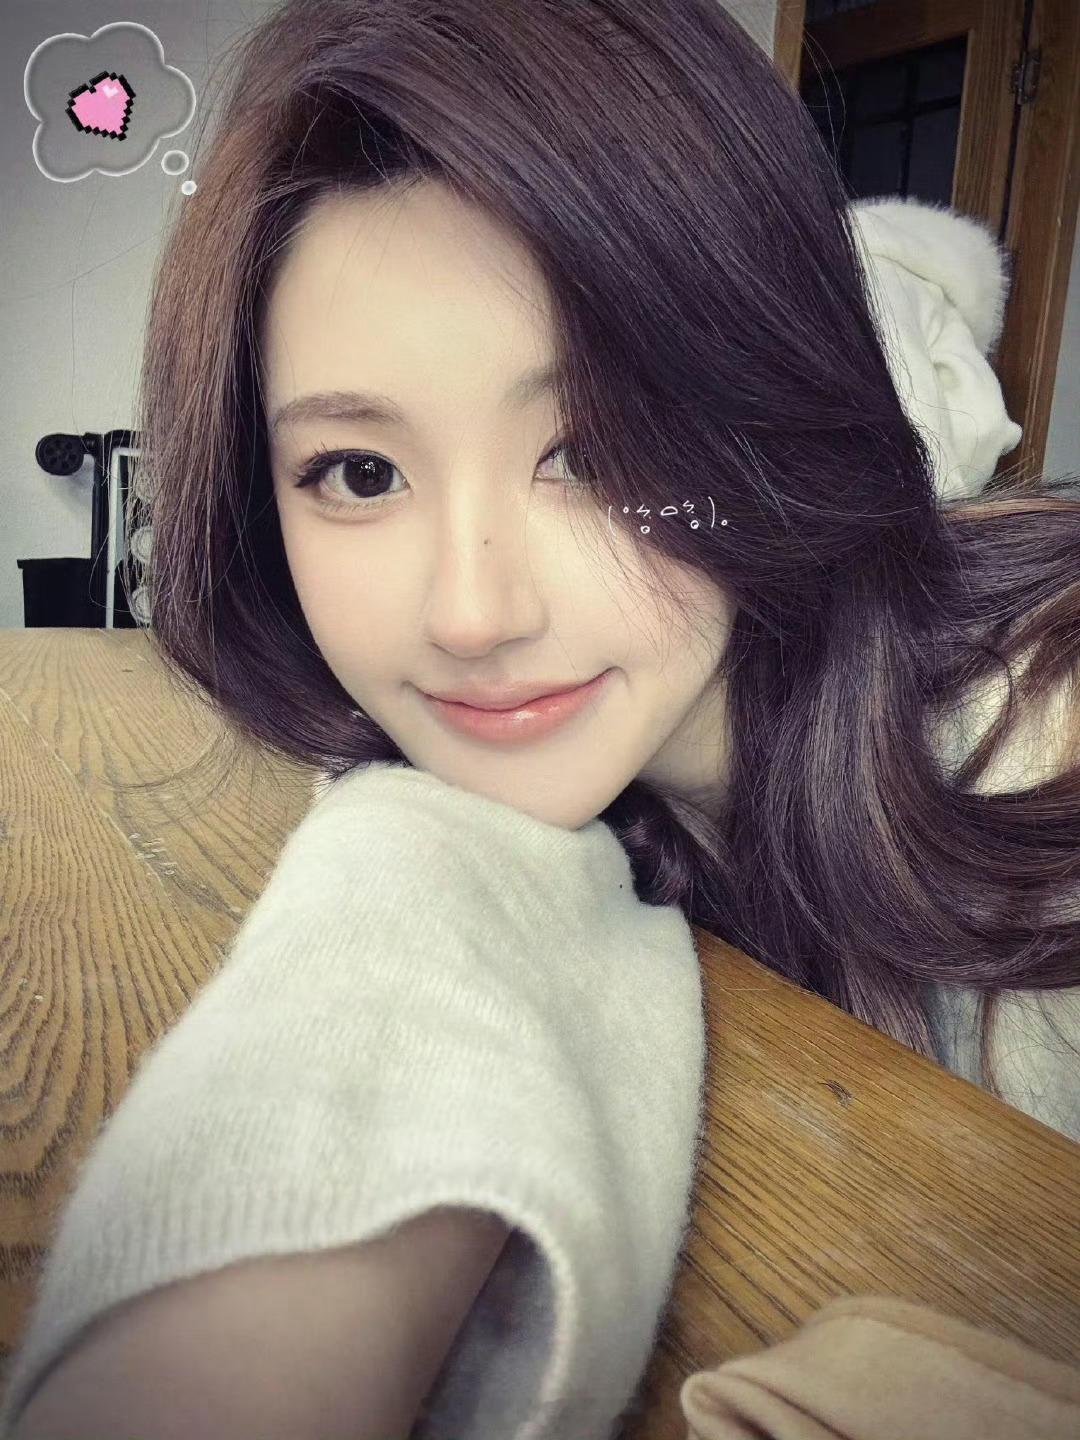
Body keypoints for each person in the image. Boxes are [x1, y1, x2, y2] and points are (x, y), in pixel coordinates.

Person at [3, 1, 1079, 1437]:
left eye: (591, 449)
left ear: (772, 396)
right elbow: (404, 935)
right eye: (359, 473)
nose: (471, 613)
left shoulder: (1044, 727)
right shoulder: (542, 770)